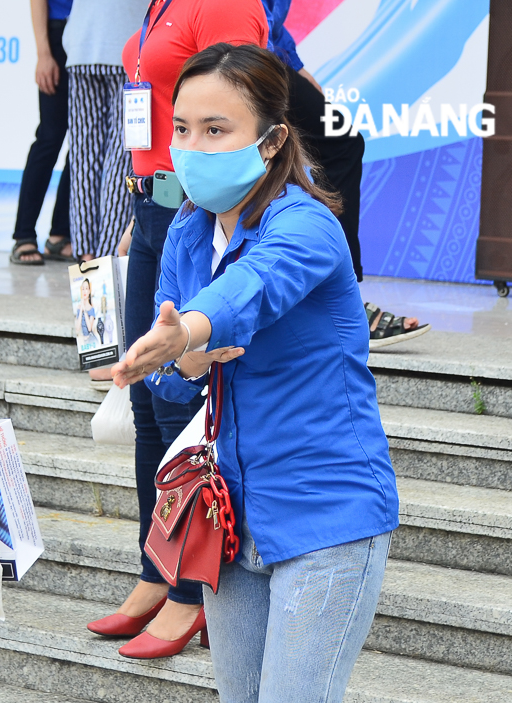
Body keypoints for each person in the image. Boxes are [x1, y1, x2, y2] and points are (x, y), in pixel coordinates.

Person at [113, 43, 398, 702]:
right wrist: (181, 360)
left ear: (271, 142)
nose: (193, 147)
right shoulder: (186, 230)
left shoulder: (309, 224)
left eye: (217, 130)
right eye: (182, 129)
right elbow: (175, 383)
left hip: (327, 517)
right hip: (231, 521)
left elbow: (254, 286)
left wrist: (188, 329)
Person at [84, 0, 268, 661]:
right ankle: (154, 570)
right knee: (144, 396)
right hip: (156, 205)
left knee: (181, 404)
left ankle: (195, 587)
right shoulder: (159, 4)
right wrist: (142, 204)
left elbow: (240, 115)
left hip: (197, 208)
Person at [261, 0, 429, 348]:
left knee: (319, 147)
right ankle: (340, 296)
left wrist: (293, 63)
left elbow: (270, 19)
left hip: (266, 57)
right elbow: (248, 18)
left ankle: (326, 292)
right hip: (247, 62)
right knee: (340, 145)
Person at [62, 0, 148, 262]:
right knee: (121, 156)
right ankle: (107, 257)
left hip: (82, 45)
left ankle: (86, 255)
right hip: (129, 47)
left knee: (83, 156)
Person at [10, 0, 74, 265]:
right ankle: (23, 235)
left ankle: (60, 234)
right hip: (58, 34)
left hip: (95, 38)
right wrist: (44, 53)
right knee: (49, 137)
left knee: (84, 143)